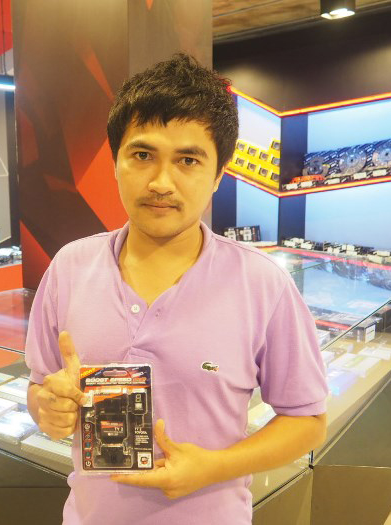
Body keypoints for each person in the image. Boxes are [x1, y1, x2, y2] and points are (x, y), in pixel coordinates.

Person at [25, 53, 328, 525]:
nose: (161, 182)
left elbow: (307, 421)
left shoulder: (261, 282)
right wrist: (48, 409)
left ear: (218, 174)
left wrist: (214, 467)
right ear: (116, 163)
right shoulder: (69, 266)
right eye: (142, 155)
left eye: (188, 160)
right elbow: (40, 387)